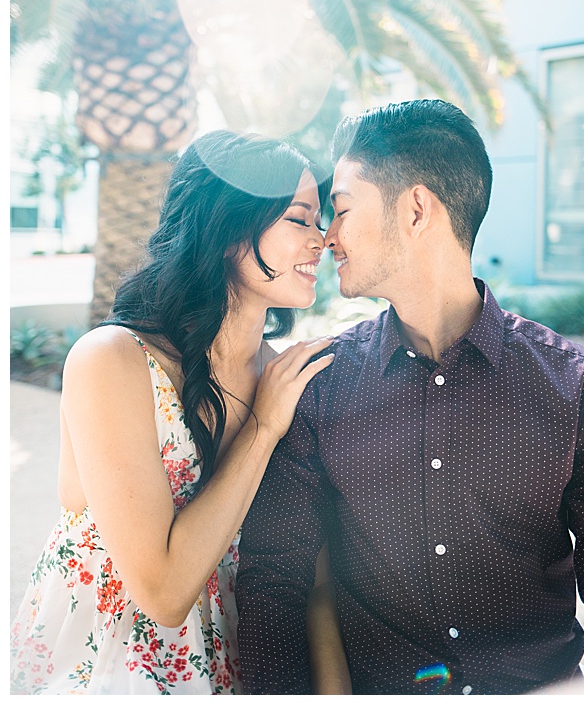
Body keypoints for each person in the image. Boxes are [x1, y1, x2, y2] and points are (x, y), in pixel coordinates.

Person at [235, 99, 584, 695]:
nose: (327, 237)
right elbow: (275, 585)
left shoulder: (571, 387)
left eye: (343, 210)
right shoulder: (319, 389)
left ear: (417, 209)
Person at [9, 131, 347, 693]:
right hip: (109, 670)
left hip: (236, 666)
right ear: (225, 227)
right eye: (300, 218)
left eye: (322, 220)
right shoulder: (112, 362)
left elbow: (314, 574)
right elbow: (163, 594)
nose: (323, 239)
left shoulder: (285, 379)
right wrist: (261, 430)